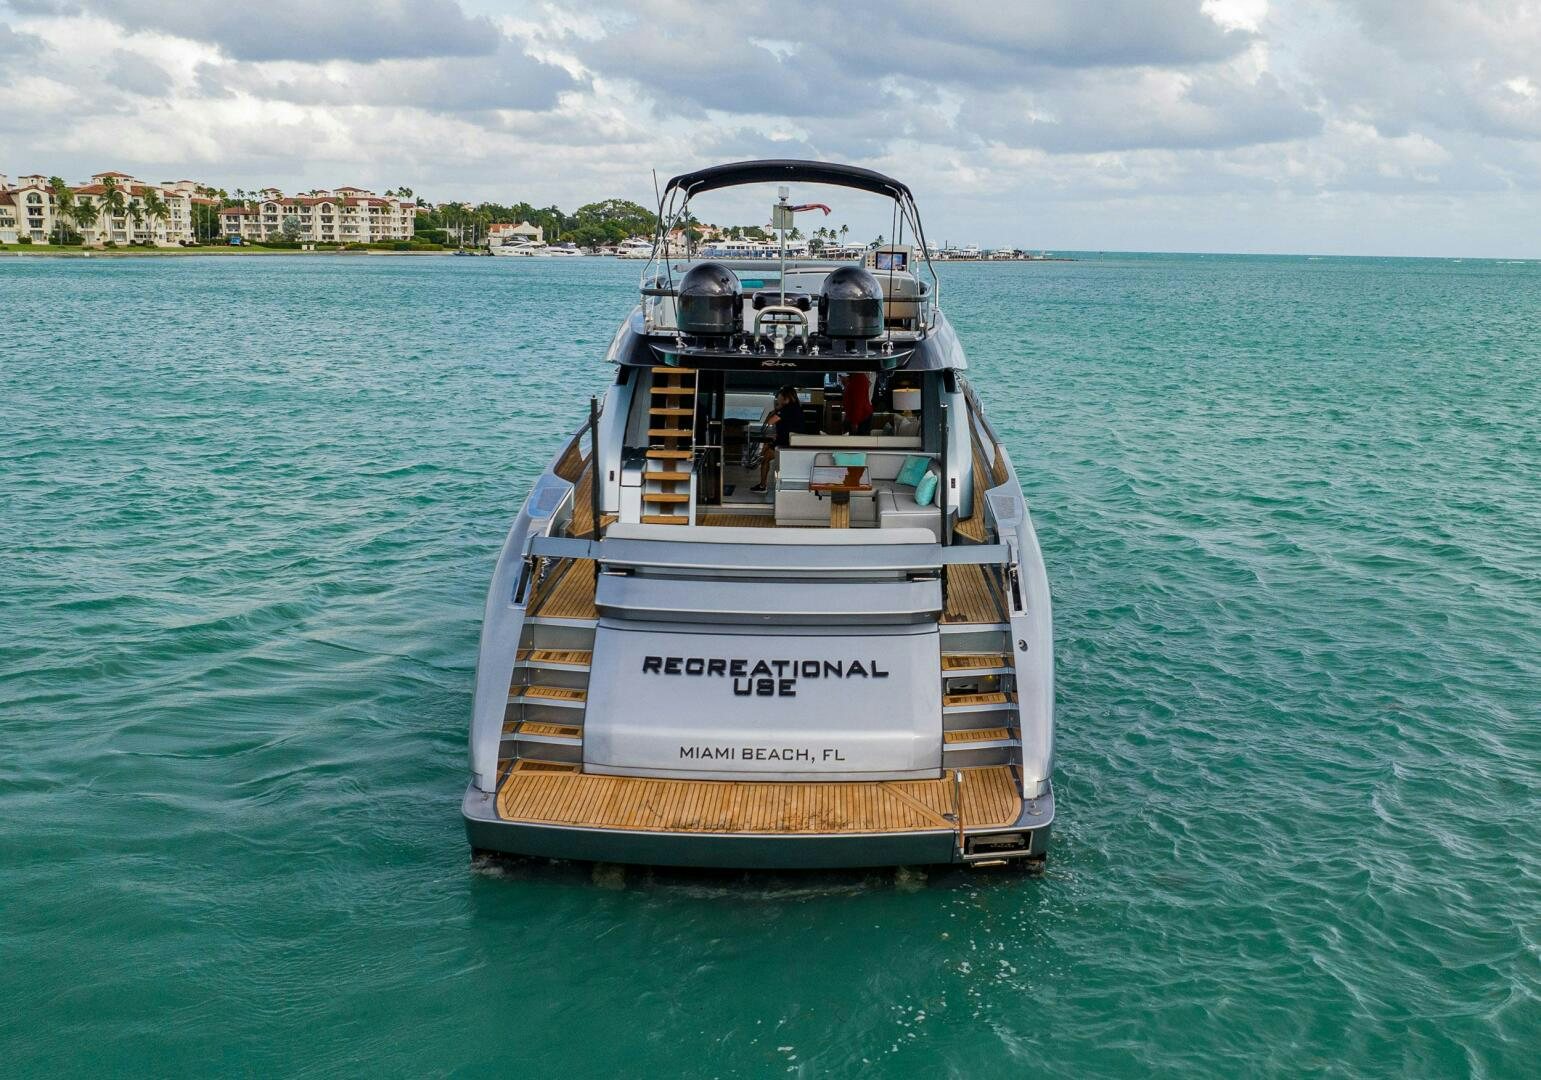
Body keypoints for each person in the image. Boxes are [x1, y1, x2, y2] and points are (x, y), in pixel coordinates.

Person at [751, 386, 804, 493]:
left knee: (765, 459)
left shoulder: (786, 409)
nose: (777, 399)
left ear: (786, 398)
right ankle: (758, 462)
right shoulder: (796, 407)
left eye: (779, 397)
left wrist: (776, 409)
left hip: (785, 443)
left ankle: (762, 485)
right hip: (789, 440)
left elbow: (770, 421)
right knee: (766, 450)